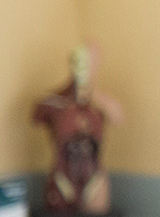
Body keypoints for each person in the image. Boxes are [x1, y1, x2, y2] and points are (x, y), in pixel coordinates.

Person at [34, 45, 123, 217]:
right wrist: (68, 92)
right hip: (63, 175)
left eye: (92, 63)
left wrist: (93, 90)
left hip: (93, 176)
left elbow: (118, 117)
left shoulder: (99, 106)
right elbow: (38, 112)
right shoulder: (56, 102)